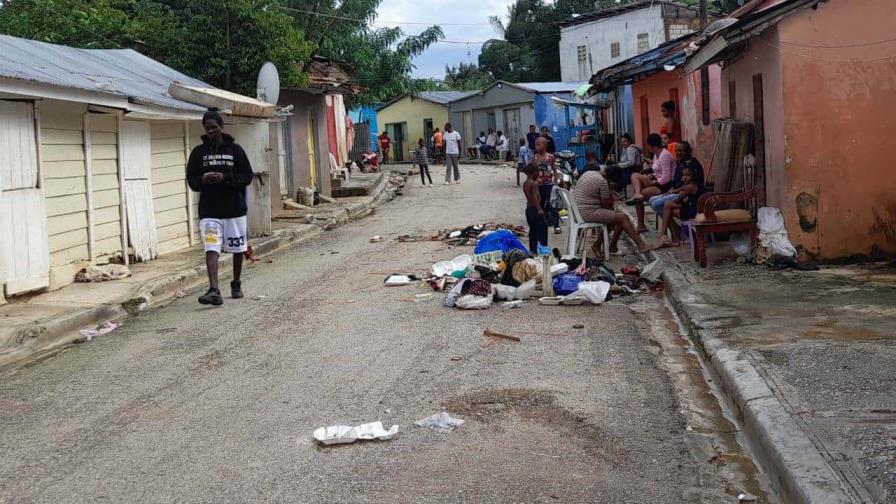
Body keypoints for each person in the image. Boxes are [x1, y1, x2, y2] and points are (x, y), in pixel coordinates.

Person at [186, 110, 253, 306]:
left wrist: (225, 178)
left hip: (234, 209)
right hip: (210, 210)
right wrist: (204, 179)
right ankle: (214, 289)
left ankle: (236, 283)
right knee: (211, 246)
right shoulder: (198, 153)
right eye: (208, 129)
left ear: (221, 127)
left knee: (237, 247)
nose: (211, 132)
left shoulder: (236, 150)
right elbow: (191, 180)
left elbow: (247, 176)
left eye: (214, 127)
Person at [574, 168, 652, 258]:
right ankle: (641, 245)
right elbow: (606, 205)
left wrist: (609, 192)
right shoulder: (602, 181)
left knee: (617, 218)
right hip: (588, 213)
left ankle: (607, 246)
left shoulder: (589, 172)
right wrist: (612, 198)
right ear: (610, 180)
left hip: (579, 210)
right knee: (623, 218)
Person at [626, 133, 675, 231]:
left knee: (637, 189)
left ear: (651, 145)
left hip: (664, 185)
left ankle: (638, 194)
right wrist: (651, 174)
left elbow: (666, 177)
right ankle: (638, 194)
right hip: (656, 181)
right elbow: (658, 171)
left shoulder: (664, 155)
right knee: (635, 179)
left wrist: (653, 182)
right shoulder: (656, 155)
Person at [648, 141, 704, 218]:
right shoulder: (680, 163)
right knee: (651, 200)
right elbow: (675, 180)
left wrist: (673, 191)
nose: (678, 153)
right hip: (675, 190)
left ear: (688, 151)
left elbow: (691, 186)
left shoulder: (693, 165)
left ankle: (673, 227)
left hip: (686, 195)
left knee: (656, 204)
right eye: (677, 150)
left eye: (681, 151)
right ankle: (672, 226)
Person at [656, 167, 704, 247]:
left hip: (693, 212)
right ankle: (666, 235)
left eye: (688, 175)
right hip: (692, 207)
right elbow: (679, 190)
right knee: (667, 208)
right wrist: (671, 193)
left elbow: (678, 200)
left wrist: (681, 196)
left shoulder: (690, 187)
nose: (685, 177)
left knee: (667, 207)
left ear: (693, 176)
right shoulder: (689, 185)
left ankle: (667, 235)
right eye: (683, 175)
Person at [533, 136, 561, 235]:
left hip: (549, 184)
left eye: (538, 144)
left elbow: (554, 169)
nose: (536, 146)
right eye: (536, 144)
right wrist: (534, 180)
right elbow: (533, 171)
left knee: (552, 204)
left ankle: (556, 225)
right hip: (539, 185)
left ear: (544, 145)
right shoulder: (535, 157)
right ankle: (540, 224)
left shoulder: (550, 157)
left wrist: (556, 182)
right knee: (540, 204)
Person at [522, 163, 547, 253]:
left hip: (528, 210)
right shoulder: (533, 184)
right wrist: (539, 209)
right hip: (535, 209)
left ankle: (533, 250)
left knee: (533, 231)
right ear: (534, 172)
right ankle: (543, 251)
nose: (539, 174)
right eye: (538, 172)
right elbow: (534, 197)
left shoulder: (526, 183)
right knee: (542, 231)